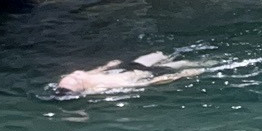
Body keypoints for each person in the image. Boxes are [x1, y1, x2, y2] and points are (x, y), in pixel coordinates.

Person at [52, 51, 205, 97]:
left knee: (159, 54)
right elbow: (144, 84)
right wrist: (181, 75)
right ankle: (208, 63)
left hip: (132, 67)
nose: (74, 76)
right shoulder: (101, 87)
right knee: (183, 63)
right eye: (74, 79)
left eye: (72, 76)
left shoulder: (70, 80)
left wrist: (107, 66)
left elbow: (88, 73)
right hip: (145, 74)